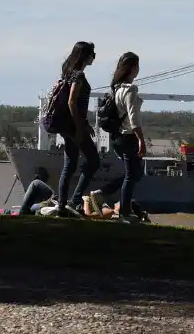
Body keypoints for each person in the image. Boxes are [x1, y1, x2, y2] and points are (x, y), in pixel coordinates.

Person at [56, 41, 100, 218]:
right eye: (92, 54)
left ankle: (62, 206)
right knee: (94, 161)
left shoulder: (67, 73)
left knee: (70, 165)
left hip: (67, 126)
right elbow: (72, 102)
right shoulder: (78, 75)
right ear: (85, 56)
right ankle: (73, 201)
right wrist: (81, 126)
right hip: (74, 127)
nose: (94, 57)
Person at [110, 52, 146, 224]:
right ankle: (124, 212)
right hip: (129, 137)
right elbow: (134, 119)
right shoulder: (130, 89)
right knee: (132, 175)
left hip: (118, 137)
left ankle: (118, 204)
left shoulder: (116, 89)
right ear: (133, 68)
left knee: (133, 173)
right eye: (137, 66)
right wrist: (141, 140)